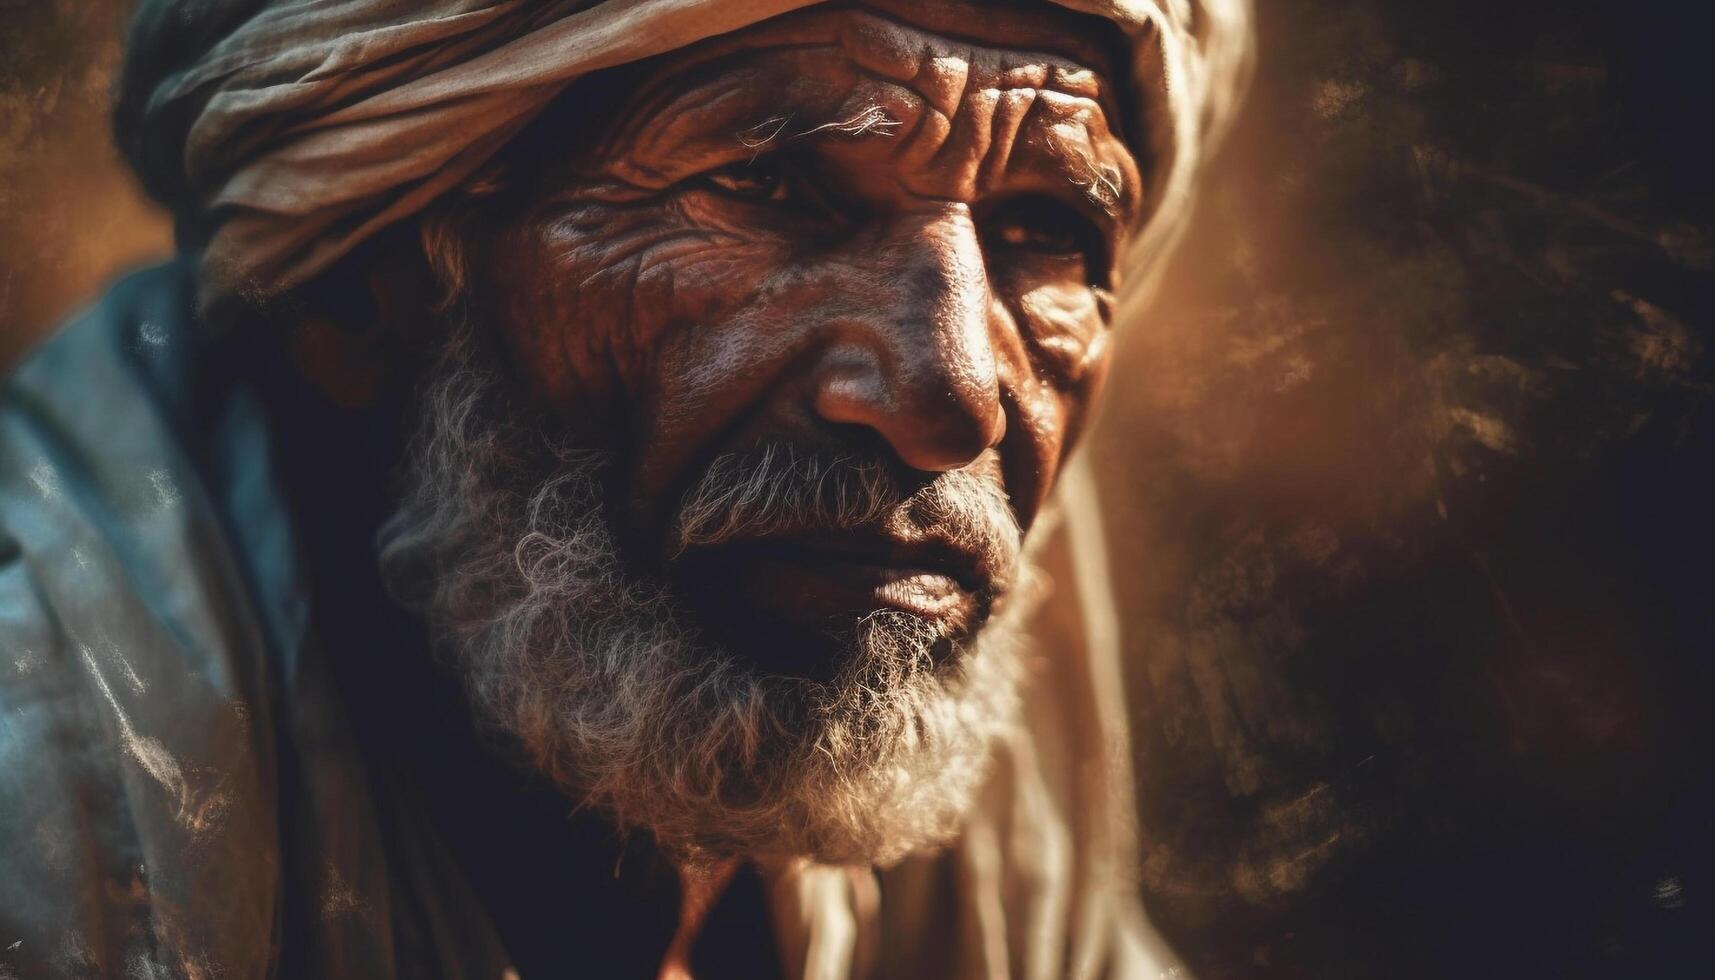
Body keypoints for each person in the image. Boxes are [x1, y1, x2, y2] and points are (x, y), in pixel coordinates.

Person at [0, 1, 1251, 977]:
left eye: (1042, 230)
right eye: (766, 189)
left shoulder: (1013, 867)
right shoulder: (40, 838)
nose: (949, 398)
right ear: (359, 287)